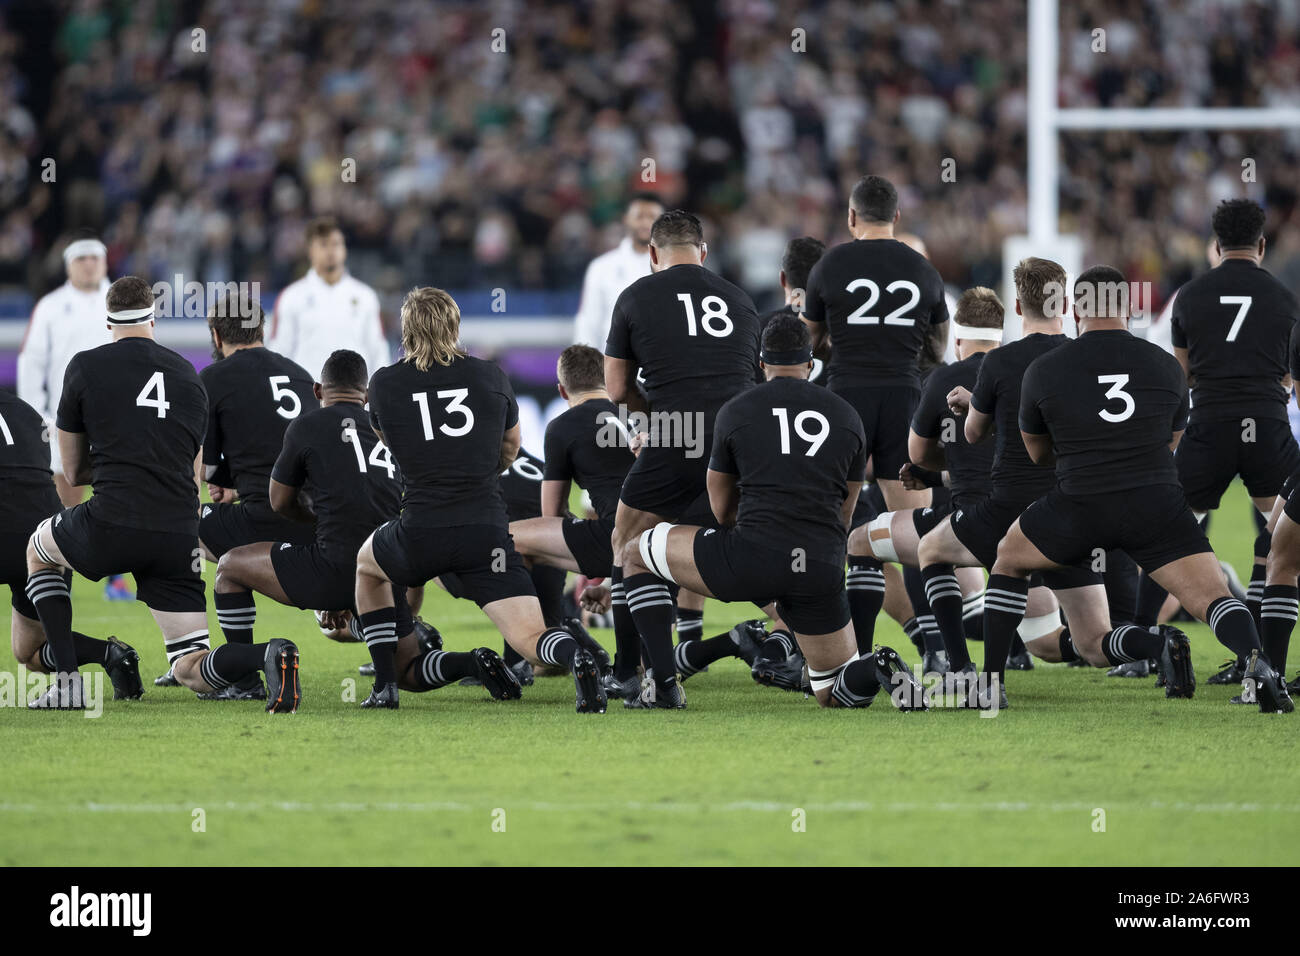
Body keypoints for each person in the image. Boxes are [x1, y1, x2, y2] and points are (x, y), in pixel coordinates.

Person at [996, 265, 1290, 714]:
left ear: (1075, 310)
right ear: (1130, 310)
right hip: (1155, 503)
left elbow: (1037, 454)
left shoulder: (1044, 369)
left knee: (1008, 557)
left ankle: (990, 681)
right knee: (1214, 597)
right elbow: (1171, 442)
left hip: (1079, 503)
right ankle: (1258, 664)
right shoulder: (1165, 366)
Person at [619, 312, 923, 710]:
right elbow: (846, 511)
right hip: (820, 564)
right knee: (833, 692)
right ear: (811, 364)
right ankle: (877, 667)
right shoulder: (847, 416)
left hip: (750, 557)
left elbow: (720, 504)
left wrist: (741, 538)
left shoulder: (736, 410)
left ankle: (661, 686)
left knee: (634, 553)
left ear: (760, 363)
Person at [23, 276, 299, 712]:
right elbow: (194, 474)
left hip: (112, 520)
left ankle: (68, 682)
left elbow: (73, 471)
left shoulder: (84, 366)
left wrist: (122, 465)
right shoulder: (189, 375)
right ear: (153, 317)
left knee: (40, 547)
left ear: (109, 320)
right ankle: (266, 654)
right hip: (177, 532)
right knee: (191, 665)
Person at [212, 349, 516, 702]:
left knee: (229, 568)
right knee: (409, 671)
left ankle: (244, 681)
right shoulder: (391, 430)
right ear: (367, 395)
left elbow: (278, 501)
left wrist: (314, 523)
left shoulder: (307, 425)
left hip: (333, 565)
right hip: (388, 566)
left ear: (316, 391)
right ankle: (471, 662)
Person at [353, 287, 605, 712]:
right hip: (486, 531)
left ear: (407, 329)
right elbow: (510, 448)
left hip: (420, 530)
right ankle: (575, 656)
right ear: (455, 326)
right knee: (530, 639)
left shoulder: (384, 383)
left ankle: (384, 684)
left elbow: (391, 444)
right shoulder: (490, 375)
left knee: (367, 566)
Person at [917, 258, 1114, 703]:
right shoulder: (1085, 359)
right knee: (1095, 643)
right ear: (1065, 304)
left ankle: (969, 674)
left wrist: (973, 405)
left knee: (933, 549)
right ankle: (1159, 645)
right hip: (1075, 509)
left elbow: (973, 434)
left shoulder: (1000, 362)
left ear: (1019, 309)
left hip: (1009, 507)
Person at [1136, 200, 1300, 684]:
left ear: (1215, 244)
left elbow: (1179, 376)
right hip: (1268, 425)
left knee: (1164, 530)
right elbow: (1290, 377)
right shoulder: (1286, 298)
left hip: (1209, 424)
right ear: (1262, 245)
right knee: (1279, 540)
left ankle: (1143, 648)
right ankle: (1263, 665)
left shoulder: (1190, 295)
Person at [604, 209, 762, 709]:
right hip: (742, 435)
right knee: (758, 538)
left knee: (628, 543)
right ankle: (799, 646)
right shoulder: (740, 299)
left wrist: (654, 417)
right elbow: (753, 381)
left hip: (677, 433)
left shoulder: (635, 296)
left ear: (652, 255)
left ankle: (630, 673)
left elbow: (615, 388)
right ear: (704, 252)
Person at [802, 175, 949, 651]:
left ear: (851, 217)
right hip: (904, 397)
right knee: (916, 532)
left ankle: (843, 650)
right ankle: (938, 647)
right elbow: (939, 343)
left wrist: (836, 344)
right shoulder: (922, 269)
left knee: (832, 520)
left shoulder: (831, 264)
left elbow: (808, 342)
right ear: (897, 218)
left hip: (845, 398)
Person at [1, 387, 143, 703]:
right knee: (29, 653)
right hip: (44, 541)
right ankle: (109, 654)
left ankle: (72, 684)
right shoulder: (27, 412)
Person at [16, 235, 131, 601]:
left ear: (104, 262)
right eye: (81, 258)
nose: (88, 264)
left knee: (115, 498)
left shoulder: (118, 301)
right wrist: (37, 414)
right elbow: (32, 362)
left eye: (94, 257)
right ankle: (54, 572)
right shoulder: (51, 307)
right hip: (62, 420)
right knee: (65, 499)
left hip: (111, 418)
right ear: (68, 265)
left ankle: (114, 578)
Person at [267, 217, 390, 381]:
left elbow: (378, 350)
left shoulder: (365, 296)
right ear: (311, 250)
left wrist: (380, 394)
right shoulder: (292, 297)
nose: (331, 251)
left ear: (344, 249)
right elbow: (279, 352)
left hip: (356, 396)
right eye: (324, 244)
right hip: (309, 395)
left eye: (336, 244)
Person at [572, 192, 664, 350]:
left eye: (652, 216)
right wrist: (585, 369)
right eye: (639, 216)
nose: (645, 222)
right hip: (611, 365)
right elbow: (588, 322)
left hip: (661, 366)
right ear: (626, 219)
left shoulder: (673, 267)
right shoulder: (601, 267)